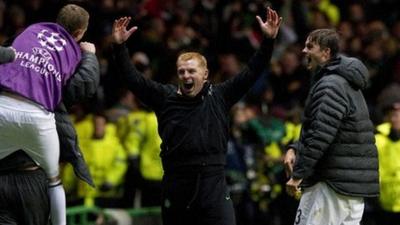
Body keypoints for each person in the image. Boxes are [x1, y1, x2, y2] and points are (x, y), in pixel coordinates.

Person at [111, 7, 281, 225]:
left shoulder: (220, 95)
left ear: (205, 74)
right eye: (182, 71)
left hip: (214, 186)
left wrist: (268, 42)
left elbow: (252, 72)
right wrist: (119, 47)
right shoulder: (164, 97)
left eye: (191, 71)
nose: (186, 75)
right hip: (176, 185)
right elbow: (133, 79)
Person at [0, 4, 97, 225]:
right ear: (80, 33)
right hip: (37, 116)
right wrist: (89, 56)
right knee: (54, 181)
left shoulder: (29, 30)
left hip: (3, 106)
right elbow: (83, 87)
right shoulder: (74, 51)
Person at [283, 28, 379, 225]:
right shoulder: (344, 82)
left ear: (326, 52)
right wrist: (296, 147)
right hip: (350, 191)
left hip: (330, 188)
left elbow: (320, 136)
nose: (303, 51)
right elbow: (326, 128)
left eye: (310, 46)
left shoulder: (331, 85)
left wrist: (298, 175)